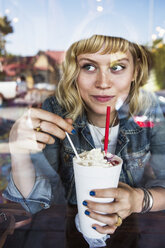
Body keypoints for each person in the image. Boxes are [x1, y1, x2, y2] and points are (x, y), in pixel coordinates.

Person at [3, 35, 165, 240]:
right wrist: (19, 155)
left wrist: (138, 200)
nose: (103, 83)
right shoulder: (56, 110)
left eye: (117, 67)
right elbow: (33, 201)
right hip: (66, 235)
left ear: (135, 71)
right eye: (89, 66)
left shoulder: (147, 109)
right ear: (74, 71)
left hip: (133, 235)